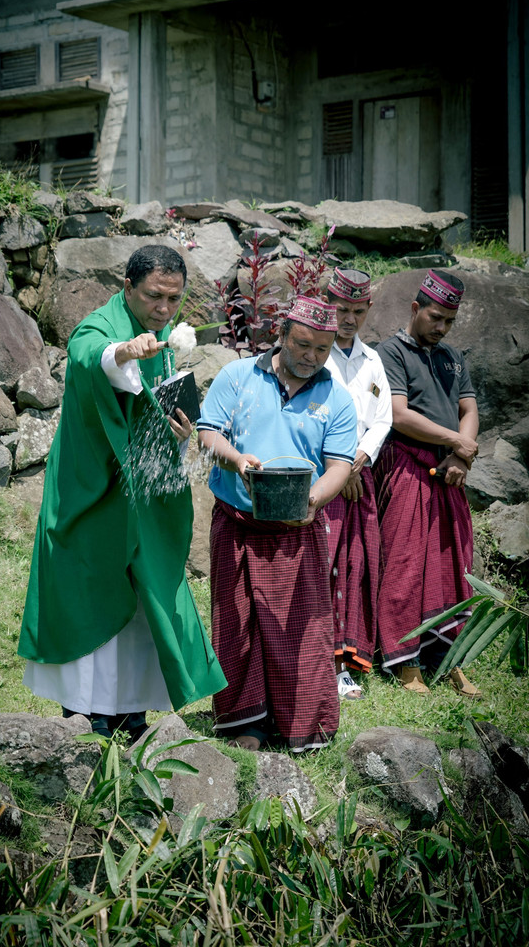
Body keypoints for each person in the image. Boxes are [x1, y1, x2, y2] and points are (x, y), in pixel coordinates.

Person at [18, 245, 226, 739]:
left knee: (143, 600)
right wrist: (124, 352)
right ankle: (85, 712)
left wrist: (178, 430)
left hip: (142, 495)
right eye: (154, 296)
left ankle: (132, 711)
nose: (164, 309)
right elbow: (92, 356)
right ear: (127, 287)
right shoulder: (101, 326)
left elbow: (158, 410)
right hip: (92, 494)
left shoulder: (164, 338)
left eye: (174, 299)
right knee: (94, 595)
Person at [197, 296, 358, 751]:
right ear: (281, 335)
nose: (311, 356)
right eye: (303, 344)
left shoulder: (337, 399)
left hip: (298, 528)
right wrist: (238, 462)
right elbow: (208, 434)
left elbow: (339, 466)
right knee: (238, 624)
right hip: (237, 522)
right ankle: (244, 724)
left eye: (323, 349)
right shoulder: (237, 377)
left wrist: (314, 499)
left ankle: (301, 726)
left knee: (301, 631)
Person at [375, 268, 480, 696]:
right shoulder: (391, 352)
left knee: (453, 566)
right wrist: (456, 440)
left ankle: (449, 660)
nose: (441, 327)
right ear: (416, 308)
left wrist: (461, 453)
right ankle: (404, 663)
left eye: (449, 322)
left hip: (448, 473)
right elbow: (398, 414)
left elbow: (469, 410)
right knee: (404, 564)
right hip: (406, 468)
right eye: (435, 317)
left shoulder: (453, 356)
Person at [324, 267, 392, 700]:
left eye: (356, 311)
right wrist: (340, 467)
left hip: (358, 479)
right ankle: (321, 660)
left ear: (367, 310)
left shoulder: (373, 361)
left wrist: (356, 463)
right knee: (324, 565)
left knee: (356, 565)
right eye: (340, 309)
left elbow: (382, 418)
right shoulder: (313, 352)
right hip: (323, 479)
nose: (348, 318)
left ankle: (347, 663)